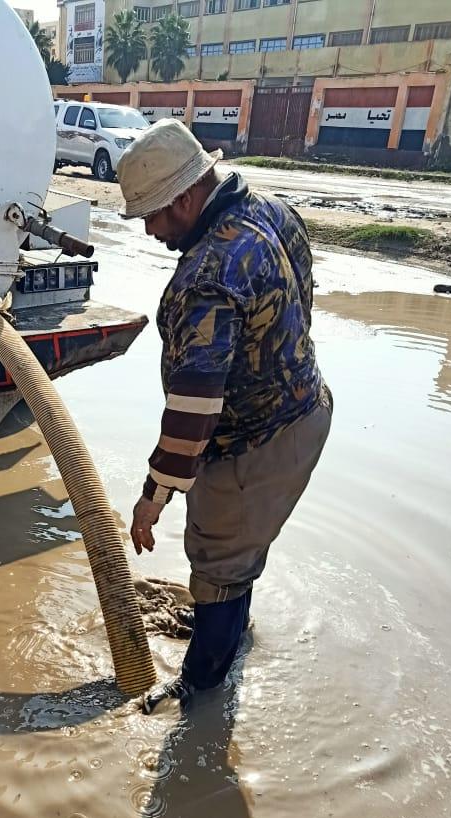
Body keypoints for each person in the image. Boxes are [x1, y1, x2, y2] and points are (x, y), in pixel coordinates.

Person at [117, 119, 332, 713]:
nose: (151, 232)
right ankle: (234, 630)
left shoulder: (206, 276)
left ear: (185, 197)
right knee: (239, 554)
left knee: (216, 563)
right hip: (307, 410)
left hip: (255, 446)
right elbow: (302, 302)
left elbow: (194, 410)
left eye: (154, 216)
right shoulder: (272, 210)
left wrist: (152, 498)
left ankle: (201, 694)